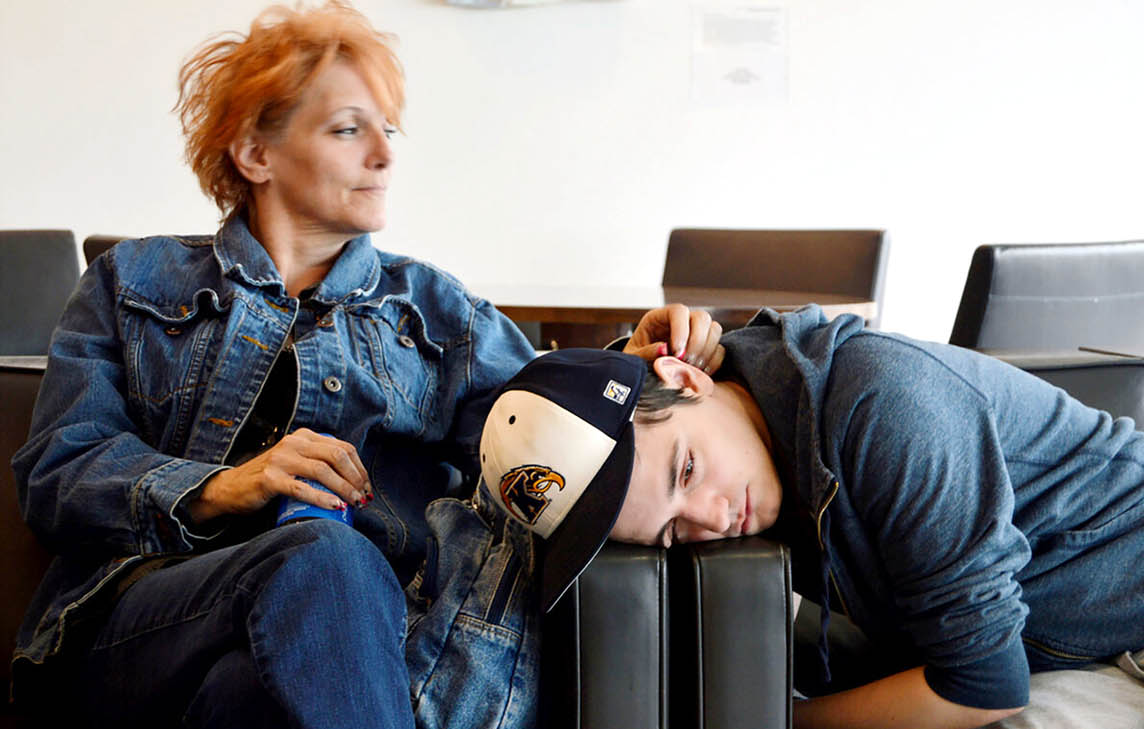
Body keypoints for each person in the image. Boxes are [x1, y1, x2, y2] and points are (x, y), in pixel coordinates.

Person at [9, 3, 723, 727]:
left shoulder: (439, 314)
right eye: (349, 129)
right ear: (255, 153)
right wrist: (226, 487)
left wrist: (630, 367)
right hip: (142, 625)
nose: (384, 154)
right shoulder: (130, 283)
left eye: (388, 129)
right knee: (324, 551)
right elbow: (57, 470)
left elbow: (541, 428)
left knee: (251, 694)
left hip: (336, 652)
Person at [477, 307, 1144, 729]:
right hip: (1077, 660)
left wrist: (776, 720)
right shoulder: (732, 419)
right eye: (668, 532)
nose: (711, 517)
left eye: (688, 470)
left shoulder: (881, 407)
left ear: (687, 381)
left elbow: (980, 685)